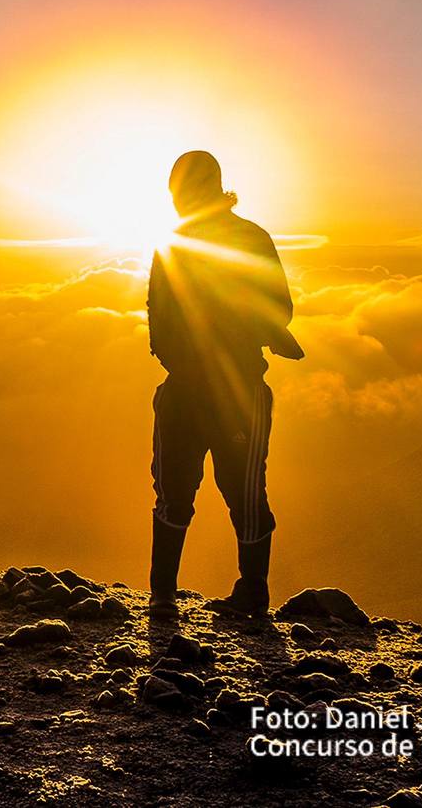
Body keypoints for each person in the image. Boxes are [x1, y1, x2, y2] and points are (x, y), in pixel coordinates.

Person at [145, 149, 300, 620]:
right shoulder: (249, 239)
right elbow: (280, 309)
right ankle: (247, 595)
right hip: (234, 388)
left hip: (198, 389)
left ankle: (164, 597)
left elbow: (158, 317)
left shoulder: (172, 243)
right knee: (243, 492)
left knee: (179, 491)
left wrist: (186, 357)